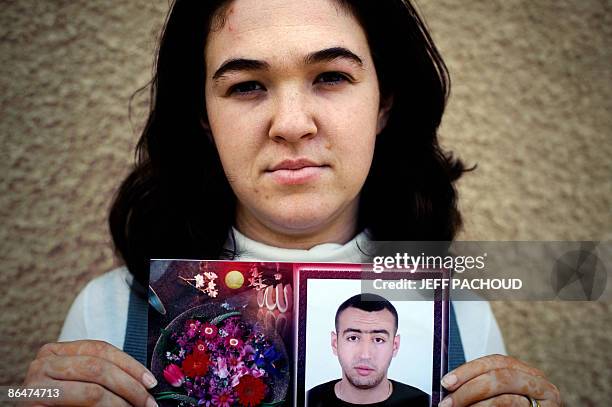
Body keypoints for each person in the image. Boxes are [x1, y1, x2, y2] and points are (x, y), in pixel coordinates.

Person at [23, 0, 561, 406]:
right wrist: (26, 399)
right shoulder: (109, 311)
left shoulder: (462, 314)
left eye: (331, 77)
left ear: (385, 101)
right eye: (247, 86)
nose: (292, 125)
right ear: (203, 117)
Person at [307, 293, 429, 406]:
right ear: (335, 343)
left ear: (395, 346)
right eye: (353, 338)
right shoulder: (304, 401)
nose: (365, 355)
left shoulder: (426, 403)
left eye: (378, 340)